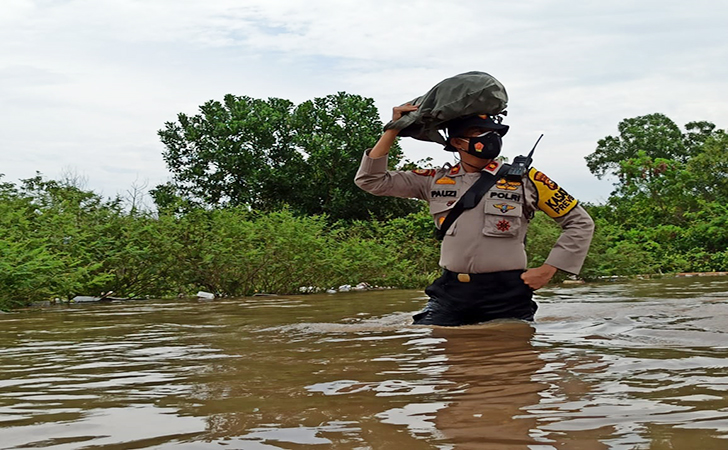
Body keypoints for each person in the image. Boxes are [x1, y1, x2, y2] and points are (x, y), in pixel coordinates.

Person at [354, 104, 595, 326]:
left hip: (507, 294)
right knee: (442, 360)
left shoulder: (527, 180)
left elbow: (579, 222)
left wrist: (549, 269)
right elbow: (370, 180)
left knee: (513, 364)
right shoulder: (433, 180)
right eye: (479, 131)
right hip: (450, 294)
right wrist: (392, 130)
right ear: (458, 142)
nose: (490, 137)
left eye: (494, 132)